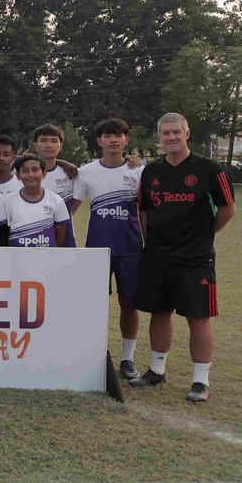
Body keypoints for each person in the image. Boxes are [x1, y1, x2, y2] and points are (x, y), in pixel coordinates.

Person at [130, 113, 235, 403]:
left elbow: (228, 208)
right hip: (157, 256)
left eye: (177, 132)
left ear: (187, 134)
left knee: (198, 318)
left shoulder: (209, 168)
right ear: (159, 137)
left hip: (195, 258)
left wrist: (204, 235)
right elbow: (144, 211)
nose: (171, 137)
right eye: (166, 133)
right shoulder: (151, 172)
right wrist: (151, 242)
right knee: (159, 313)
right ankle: (156, 370)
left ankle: (200, 381)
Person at [73, 117, 145, 379]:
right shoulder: (86, 171)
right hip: (96, 251)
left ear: (126, 139)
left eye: (119, 135)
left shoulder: (139, 171)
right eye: (108, 135)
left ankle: (127, 358)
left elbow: (147, 210)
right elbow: (68, 210)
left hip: (131, 248)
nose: (113, 140)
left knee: (129, 305)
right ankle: (93, 355)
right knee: (94, 305)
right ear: (99, 140)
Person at [3, 155, 69, 248]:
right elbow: (4, 234)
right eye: (25, 171)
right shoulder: (8, 201)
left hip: (46, 259)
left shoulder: (56, 200)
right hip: (16, 259)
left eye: (35, 170)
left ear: (44, 173)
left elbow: (60, 238)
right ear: (18, 175)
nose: (30, 174)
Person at [31, 124, 80, 247]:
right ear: (35, 145)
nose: (48, 145)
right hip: (33, 239)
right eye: (43, 141)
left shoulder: (72, 173)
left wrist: (130, 159)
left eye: (54, 141)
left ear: (61, 146)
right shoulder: (23, 174)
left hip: (66, 240)